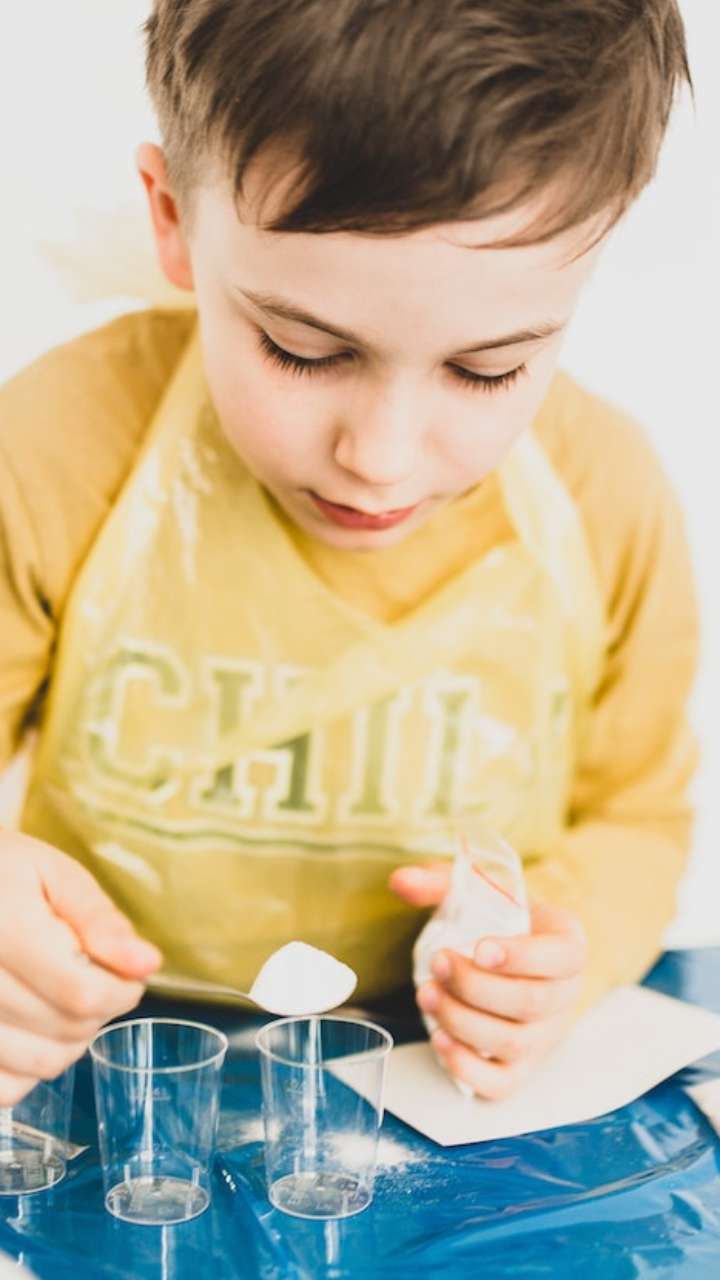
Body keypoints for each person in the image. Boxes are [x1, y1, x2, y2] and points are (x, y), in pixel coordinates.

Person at [0, 0, 697, 1106]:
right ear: (173, 218)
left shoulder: (601, 496)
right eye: (302, 348)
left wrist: (560, 946)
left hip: (422, 1072)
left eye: (486, 370)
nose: (380, 458)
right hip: (114, 1065)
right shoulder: (56, 451)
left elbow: (637, 814)